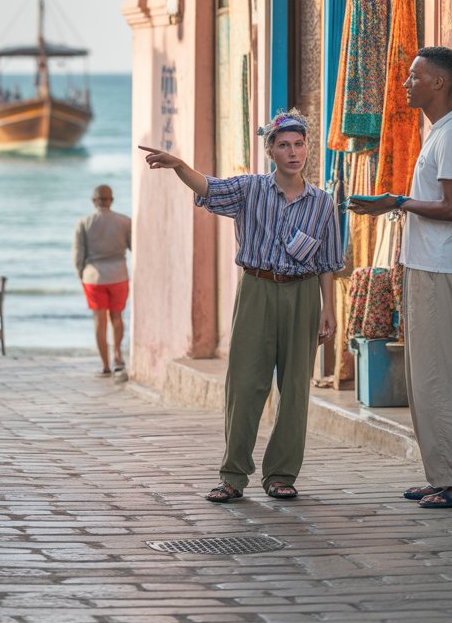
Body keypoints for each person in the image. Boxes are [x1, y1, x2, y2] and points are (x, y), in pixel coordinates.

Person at [141, 109, 341, 503]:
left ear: (307, 148)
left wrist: (328, 309)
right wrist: (180, 165)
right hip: (256, 289)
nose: (293, 152)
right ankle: (233, 475)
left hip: (302, 296)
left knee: (296, 387)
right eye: (283, 145)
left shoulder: (322, 203)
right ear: (270, 150)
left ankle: (282, 474)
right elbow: (208, 187)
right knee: (245, 385)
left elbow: (329, 262)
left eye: (299, 144)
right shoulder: (250, 189)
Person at [349, 46, 452, 510]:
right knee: (427, 378)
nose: (406, 83)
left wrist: (395, 202)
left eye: (414, 76)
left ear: (440, 84)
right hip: (427, 266)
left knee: (442, 377)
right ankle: (445, 475)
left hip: (442, 268)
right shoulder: (440, 133)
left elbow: (451, 208)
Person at [73, 184, 132, 376]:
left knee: (99, 321)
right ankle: (118, 355)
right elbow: (133, 248)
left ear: (93, 201)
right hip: (119, 275)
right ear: (111, 200)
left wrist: (81, 274)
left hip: (94, 277)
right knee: (117, 317)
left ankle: (105, 366)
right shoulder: (124, 221)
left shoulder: (84, 222)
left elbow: (78, 255)